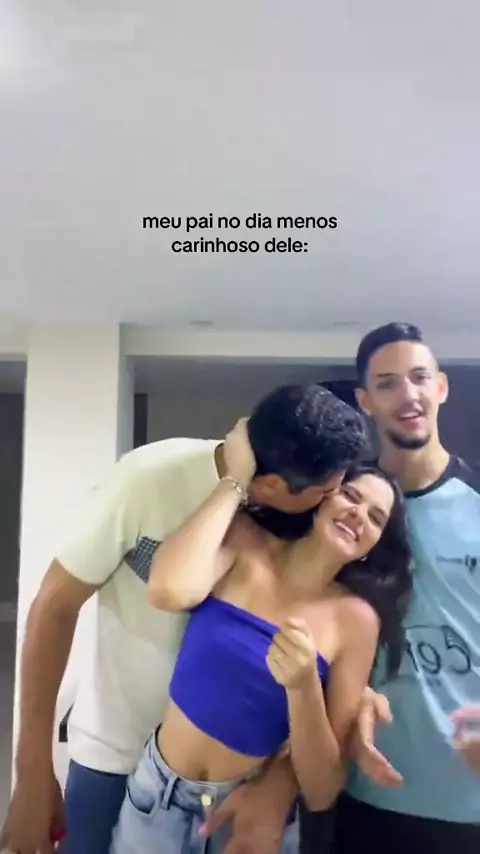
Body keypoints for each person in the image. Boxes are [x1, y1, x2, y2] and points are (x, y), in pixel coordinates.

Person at [1, 384, 369, 854]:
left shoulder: (299, 522)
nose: (334, 501)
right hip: (117, 753)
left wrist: (352, 701)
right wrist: (32, 770)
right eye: (329, 491)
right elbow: (56, 605)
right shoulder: (149, 478)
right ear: (274, 487)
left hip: (236, 780)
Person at [108, 415, 412, 853]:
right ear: (323, 496)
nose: (358, 514)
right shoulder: (245, 539)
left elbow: (322, 788)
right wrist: (237, 475)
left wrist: (304, 688)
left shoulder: (357, 621)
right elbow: (167, 588)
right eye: (351, 495)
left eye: (376, 517)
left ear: (375, 544)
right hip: (156, 796)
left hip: (248, 818)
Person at [329, 323, 480, 853]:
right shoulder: (344, 511)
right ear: (365, 401)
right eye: (387, 383)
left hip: (471, 803)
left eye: (418, 377)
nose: (407, 394)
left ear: (441, 387)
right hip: (367, 796)